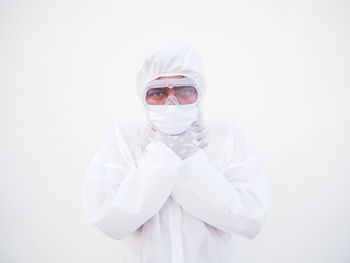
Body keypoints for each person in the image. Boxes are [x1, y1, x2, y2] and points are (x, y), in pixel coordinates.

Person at [82, 43, 269, 263]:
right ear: (143, 95)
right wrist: (160, 159)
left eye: (184, 91)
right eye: (158, 93)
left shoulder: (227, 138)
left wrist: (191, 165)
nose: (172, 104)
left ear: (200, 92)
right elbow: (108, 219)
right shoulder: (123, 140)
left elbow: (250, 218)